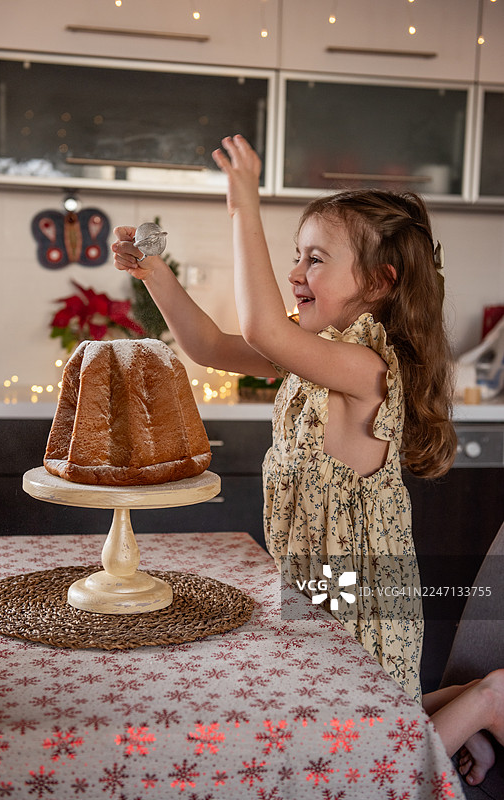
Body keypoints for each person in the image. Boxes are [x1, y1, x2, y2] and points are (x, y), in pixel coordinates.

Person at [112, 134, 499, 785]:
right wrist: (154, 271)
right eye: (297, 256)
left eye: (315, 259)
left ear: (378, 283)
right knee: (338, 732)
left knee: (359, 760)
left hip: (365, 597)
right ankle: (468, 726)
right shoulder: (313, 356)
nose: (296, 272)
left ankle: (489, 700)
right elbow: (207, 344)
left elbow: (265, 328)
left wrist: (244, 202)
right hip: (317, 585)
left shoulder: (365, 366)